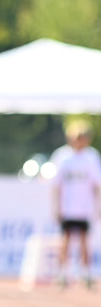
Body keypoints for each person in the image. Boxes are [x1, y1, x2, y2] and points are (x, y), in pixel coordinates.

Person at [49, 119, 101, 290]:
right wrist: (56, 207)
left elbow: (97, 185)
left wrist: (97, 206)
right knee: (65, 240)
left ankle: (86, 275)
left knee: (85, 241)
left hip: (84, 208)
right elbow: (55, 185)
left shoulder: (91, 157)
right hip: (67, 207)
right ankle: (62, 274)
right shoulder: (62, 157)